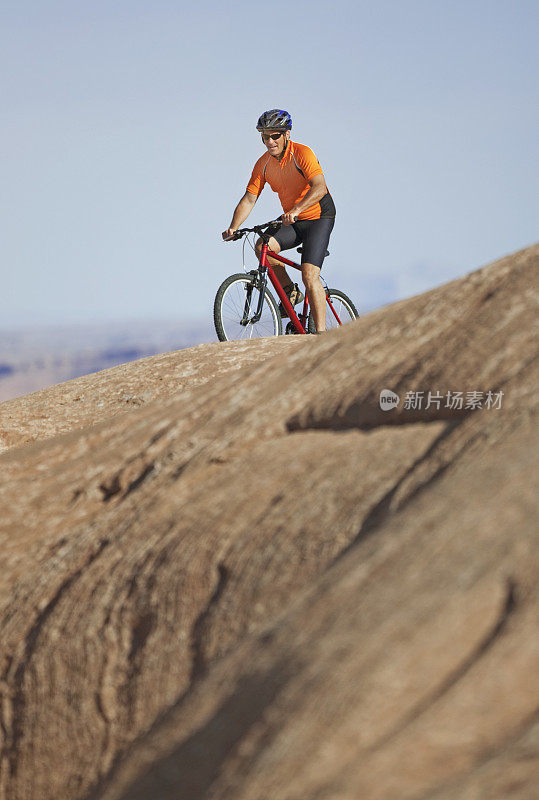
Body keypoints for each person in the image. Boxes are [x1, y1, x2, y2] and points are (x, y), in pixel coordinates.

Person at [222, 109, 336, 333]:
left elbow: (320, 187)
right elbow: (249, 198)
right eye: (265, 137)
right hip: (292, 220)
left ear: (287, 135)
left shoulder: (302, 153)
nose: (270, 141)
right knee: (263, 246)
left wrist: (297, 209)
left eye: (275, 136)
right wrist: (233, 227)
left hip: (319, 217)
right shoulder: (263, 164)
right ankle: (289, 291)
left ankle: (322, 335)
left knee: (309, 274)